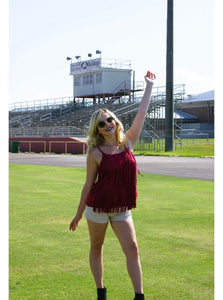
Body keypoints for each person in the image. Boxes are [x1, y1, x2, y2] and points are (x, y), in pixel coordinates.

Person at [69, 71, 155, 300]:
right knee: (97, 247)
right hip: (97, 209)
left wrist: (149, 86)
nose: (107, 124)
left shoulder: (128, 142)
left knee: (133, 249)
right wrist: (78, 214)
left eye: (110, 120)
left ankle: (139, 296)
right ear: (97, 129)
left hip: (122, 209)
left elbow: (142, 113)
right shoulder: (95, 153)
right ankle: (101, 291)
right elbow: (88, 186)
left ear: (115, 122)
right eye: (101, 123)